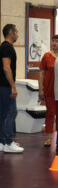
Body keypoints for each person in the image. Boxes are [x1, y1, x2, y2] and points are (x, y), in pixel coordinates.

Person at [0, 24, 24, 153]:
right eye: (16, 32)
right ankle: (8, 142)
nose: (18, 34)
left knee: (3, 113)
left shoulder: (4, 46)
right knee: (11, 112)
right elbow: (6, 68)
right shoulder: (7, 47)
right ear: (11, 33)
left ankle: (2, 142)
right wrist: (13, 86)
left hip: (2, 86)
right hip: (5, 86)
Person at [39, 34, 58, 147]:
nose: (54, 43)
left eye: (57, 41)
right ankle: (49, 137)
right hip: (49, 89)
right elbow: (41, 73)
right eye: (53, 41)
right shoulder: (46, 56)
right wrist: (41, 89)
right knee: (50, 113)